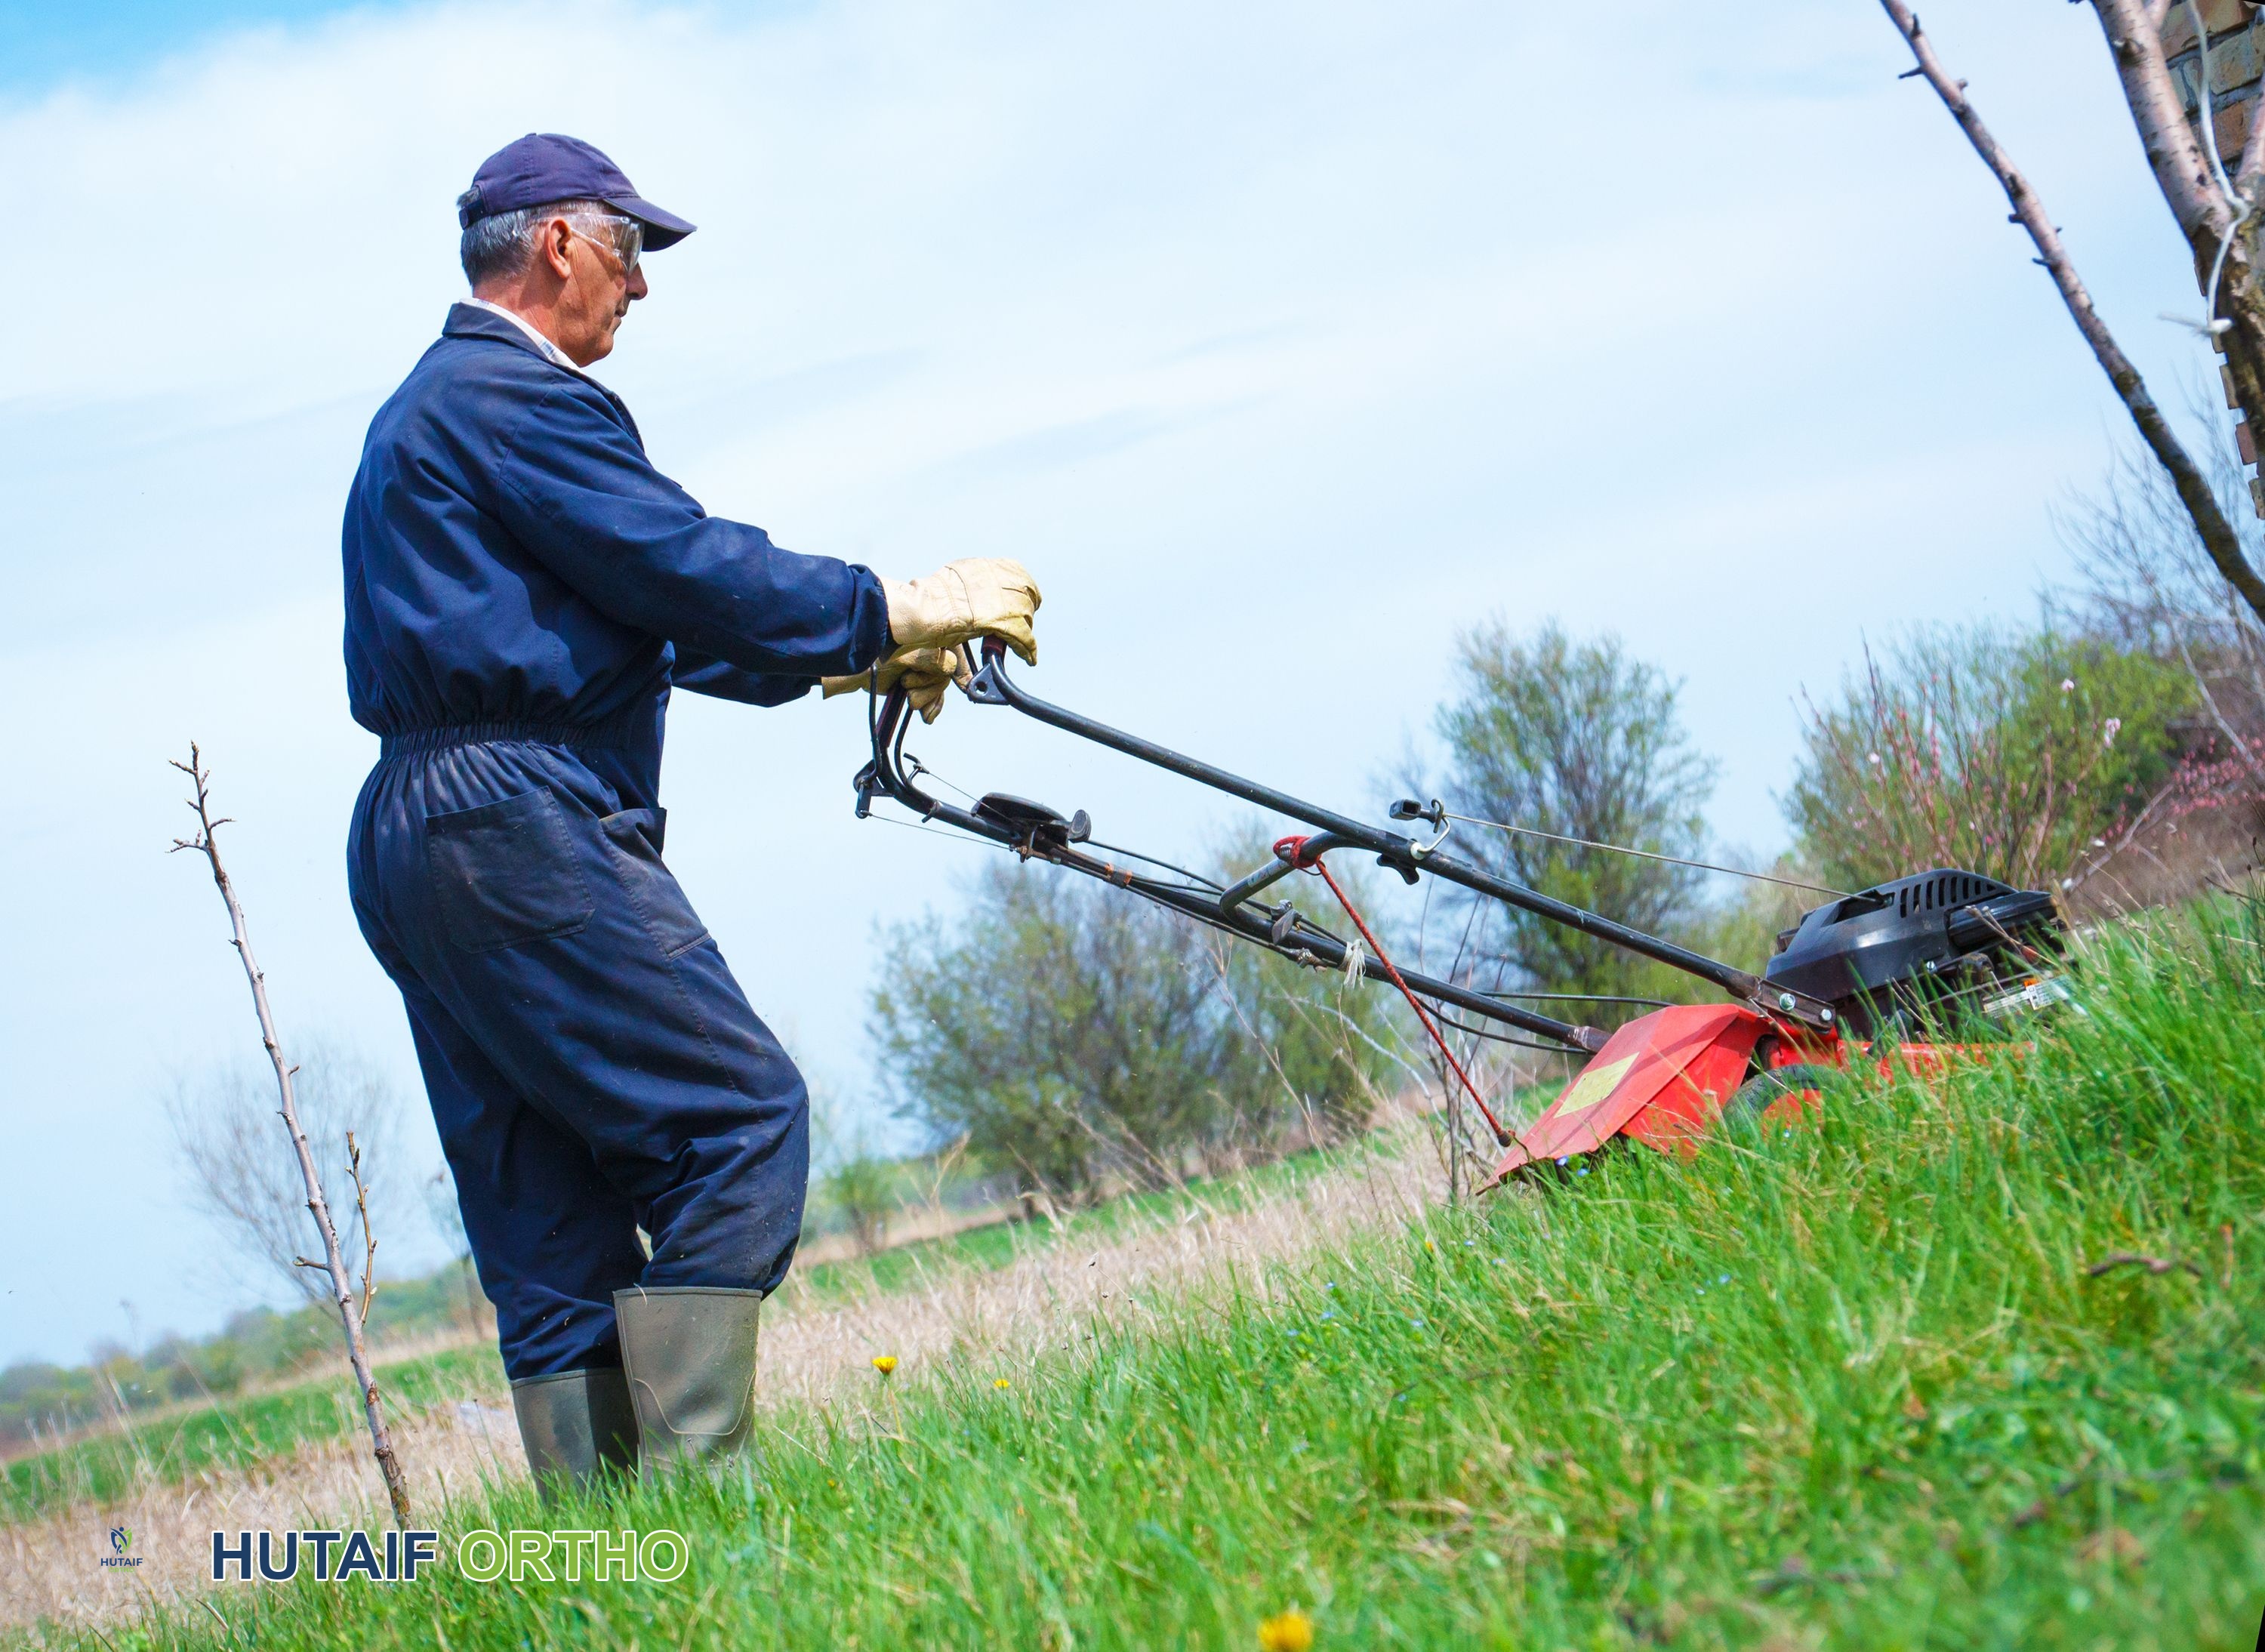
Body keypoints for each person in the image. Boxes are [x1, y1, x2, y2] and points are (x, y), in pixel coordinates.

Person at [341, 133, 1039, 1495]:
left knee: (549, 1216)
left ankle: (617, 1569)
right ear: (557, 243)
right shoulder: (510, 397)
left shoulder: (427, 414)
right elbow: (676, 561)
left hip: (420, 830)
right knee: (743, 1119)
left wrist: (852, 658)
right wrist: (885, 604)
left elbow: (631, 619)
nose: (643, 288)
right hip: (512, 818)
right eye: (629, 250)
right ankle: (696, 1502)